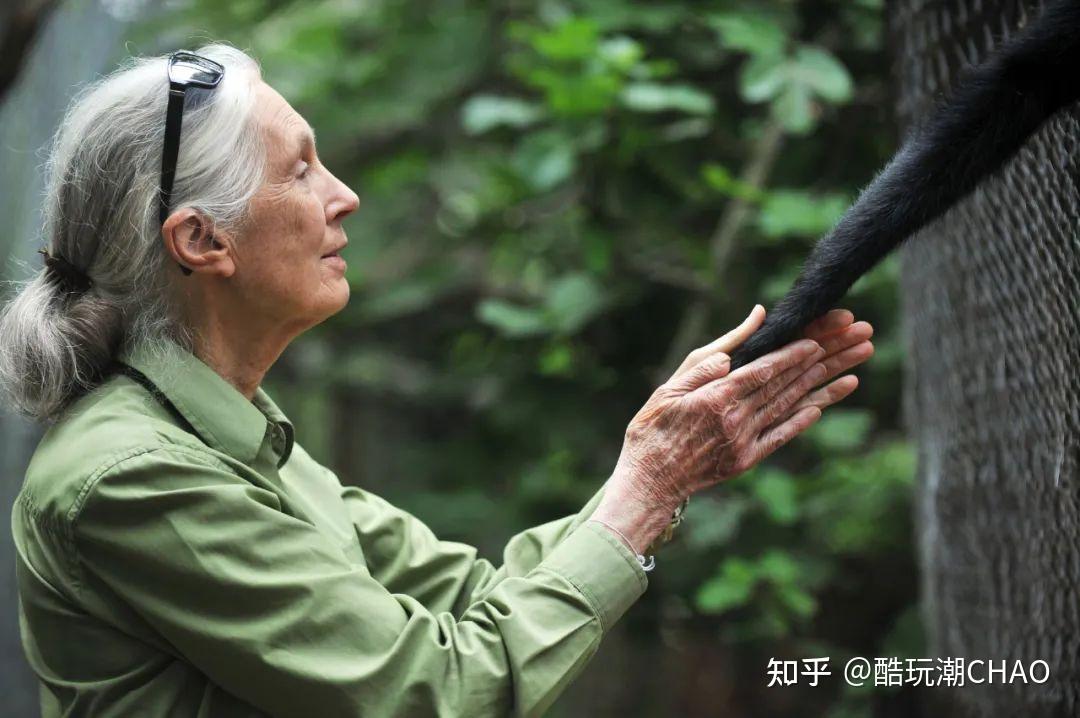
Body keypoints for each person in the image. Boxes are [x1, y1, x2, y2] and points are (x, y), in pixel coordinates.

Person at [0, 45, 874, 717]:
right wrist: (650, 482)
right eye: (301, 169)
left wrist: (664, 464)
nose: (343, 196)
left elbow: (480, 600)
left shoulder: (231, 431)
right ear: (202, 241)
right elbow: (438, 690)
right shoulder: (133, 475)